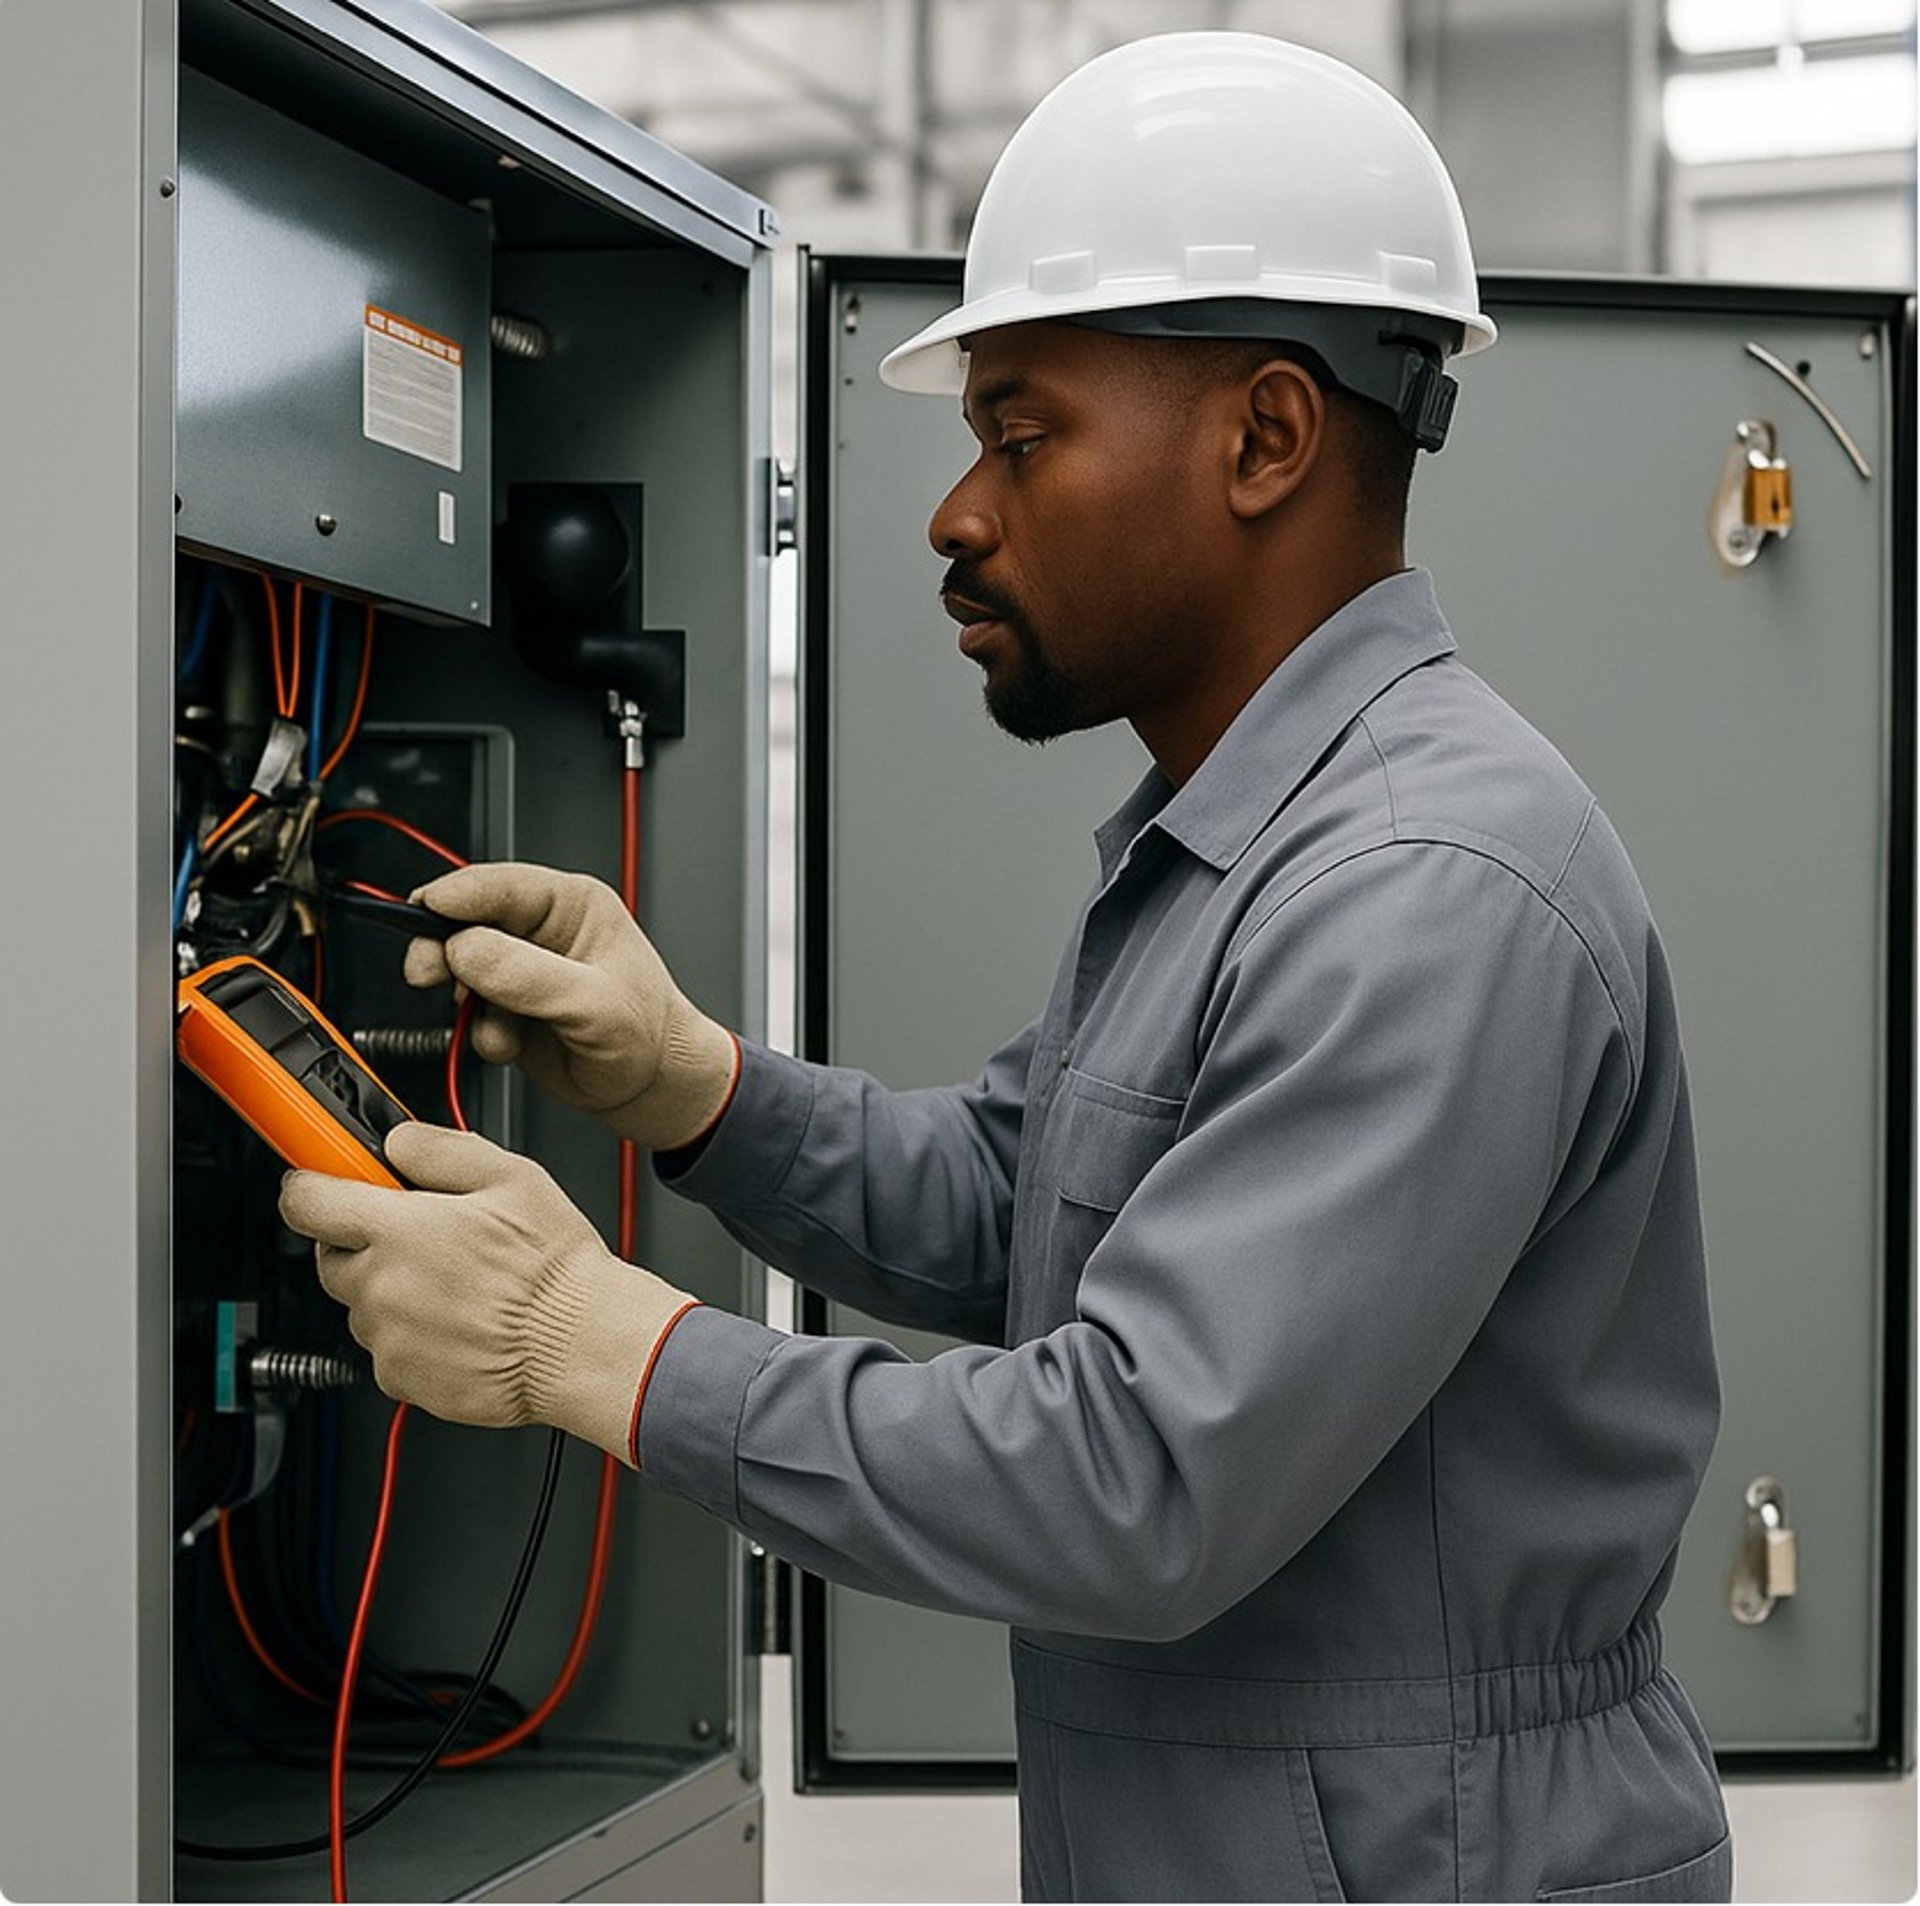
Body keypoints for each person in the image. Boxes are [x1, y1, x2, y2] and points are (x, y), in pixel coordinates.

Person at [282, 33, 1731, 1902]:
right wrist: (694, 1086)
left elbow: (1137, 1479)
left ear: (1267, 437)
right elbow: (1016, 1199)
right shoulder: (1239, 837)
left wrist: (601, 1342)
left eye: (1021, 434)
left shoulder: (1423, 886)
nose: (960, 513)